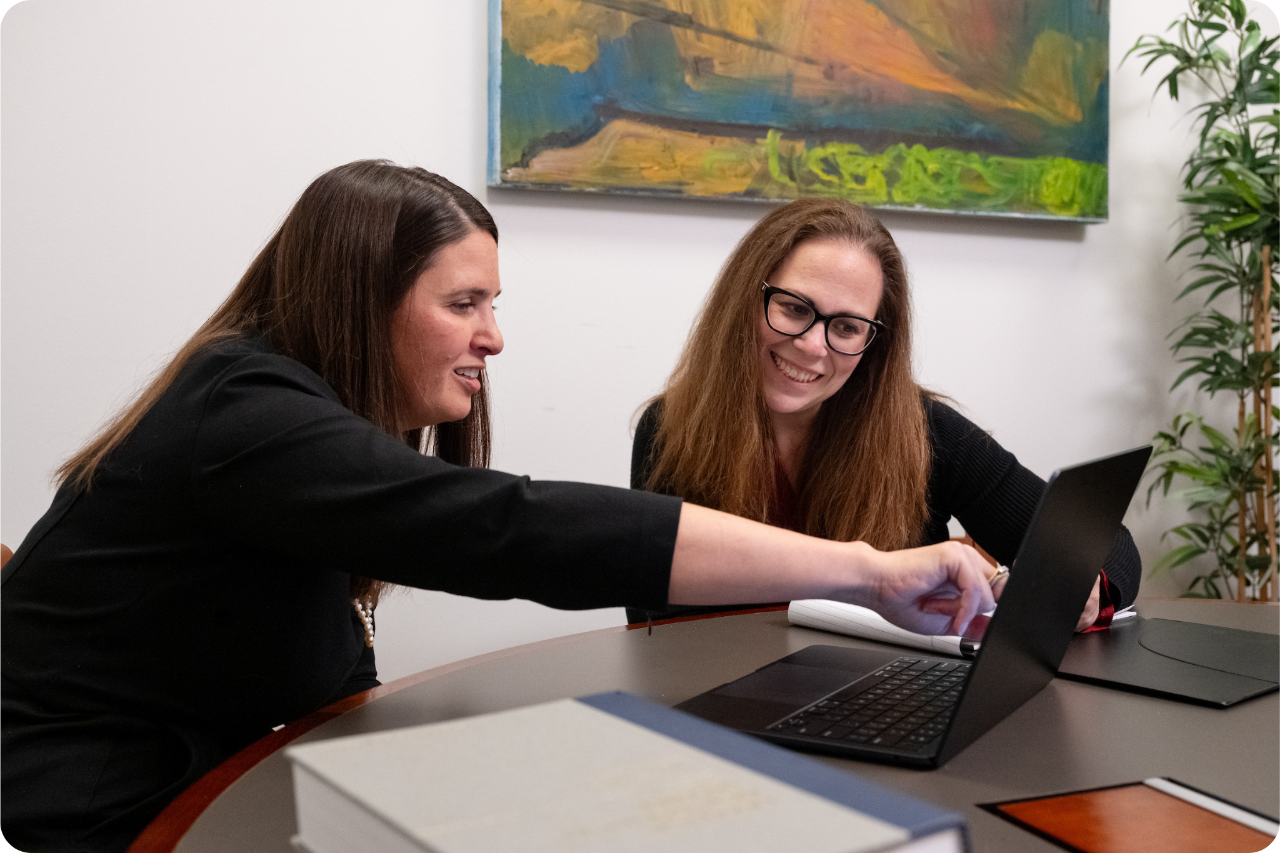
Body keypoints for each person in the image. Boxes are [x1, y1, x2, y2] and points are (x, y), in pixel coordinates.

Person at [0, 162, 996, 853]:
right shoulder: (245, 415)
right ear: (363, 298)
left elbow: (333, 669)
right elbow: (509, 527)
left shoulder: (297, 428)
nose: (494, 338)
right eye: (463, 303)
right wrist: (867, 568)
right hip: (87, 814)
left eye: (494, 304)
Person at [628, 197, 1140, 627]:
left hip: (887, 708)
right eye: (794, 308)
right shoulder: (670, 429)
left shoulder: (928, 432)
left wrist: (1084, 586)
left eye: (847, 327)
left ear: (874, 343)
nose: (811, 345)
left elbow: (1107, 544)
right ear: (746, 299)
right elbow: (654, 616)